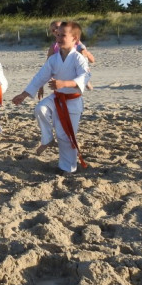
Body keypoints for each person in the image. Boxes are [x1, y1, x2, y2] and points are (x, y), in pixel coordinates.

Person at [12, 21, 89, 175]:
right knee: (40, 108)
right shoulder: (54, 59)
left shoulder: (79, 58)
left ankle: (68, 168)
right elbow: (40, 77)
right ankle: (47, 138)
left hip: (73, 102)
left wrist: (64, 83)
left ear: (75, 39)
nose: (58, 38)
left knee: (65, 136)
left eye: (63, 35)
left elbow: (85, 77)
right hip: (57, 98)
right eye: (57, 35)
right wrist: (24, 94)